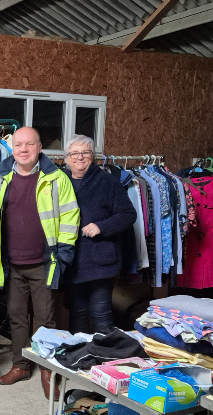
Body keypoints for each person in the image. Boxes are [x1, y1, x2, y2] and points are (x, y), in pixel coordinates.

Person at [0, 127, 80, 400]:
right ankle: (21, 365)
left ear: (39, 148)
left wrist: (63, 255)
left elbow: (70, 216)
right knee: (16, 317)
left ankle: (47, 371)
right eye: (19, 145)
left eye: (30, 144)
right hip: (11, 263)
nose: (24, 149)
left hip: (44, 262)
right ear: (13, 149)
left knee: (45, 321)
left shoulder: (56, 178)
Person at [63, 135, 136, 334]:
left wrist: (101, 227)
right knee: (77, 313)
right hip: (72, 259)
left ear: (92, 156)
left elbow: (128, 214)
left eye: (85, 152)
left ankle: (104, 358)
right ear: (66, 158)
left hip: (101, 260)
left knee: (101, 313)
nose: (80, 157)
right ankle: (78, 359)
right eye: (74, 153)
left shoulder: (107, 181)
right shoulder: (60, 181)